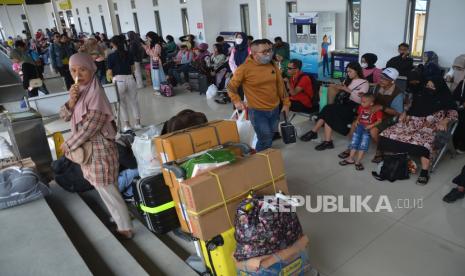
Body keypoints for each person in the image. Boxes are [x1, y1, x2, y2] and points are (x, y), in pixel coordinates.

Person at [59, 52, 133, 239]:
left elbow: (91, 127)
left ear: (92, 69)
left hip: (100, 151)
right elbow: (65, 116)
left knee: (108, 189)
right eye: (73, 70)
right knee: (108, 189)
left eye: (82, 69)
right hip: (90, 152)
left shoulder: (96, 94)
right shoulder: (80, 91)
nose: (78, 74)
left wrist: (69, 144)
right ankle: (120, 218)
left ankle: (125, 228)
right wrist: (71, 101)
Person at [378, 77, 458, 185]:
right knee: (387, 134)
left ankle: (424, 172)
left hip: (430, 127)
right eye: (427, 86)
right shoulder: (420, 94)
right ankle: (392, 161)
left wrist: (445, 121)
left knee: (424, 143)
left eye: (432, 86)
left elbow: (454, 112)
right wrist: (405, 113)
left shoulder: (445, 97)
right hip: (411, 122)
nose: (429, 88)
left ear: (439, 87)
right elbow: (409, 106)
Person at [227, 39, 290, 152]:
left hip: (274, 109)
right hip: (257, 111)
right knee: (264, 139)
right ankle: (259, 161)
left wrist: (286, 103)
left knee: (270, 136)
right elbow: (231, 86)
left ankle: (266, 157)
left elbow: (280, 85)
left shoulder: (272, 64)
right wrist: (236, 101)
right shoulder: (244, 68)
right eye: (265, 51)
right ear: (254, 53)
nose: (269, 53)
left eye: (270, 50)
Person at [338, 68, 404, 162]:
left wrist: (382, 108)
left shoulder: (398, 94)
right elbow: (371, 98)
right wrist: (364, 96)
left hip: (388, 117)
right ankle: (351, 148)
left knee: (373, 130)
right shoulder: (377, 87)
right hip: (374, 112)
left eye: (385, 79)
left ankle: (380, 150)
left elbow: (398, 112)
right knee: (354, 125)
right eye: (381, 77)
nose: (381, 80)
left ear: (392, 81)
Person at [301, 62, 369, 151]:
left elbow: (362, 100)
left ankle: (316, 133)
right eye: (347, 72)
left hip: (353, 107)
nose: (348, 74)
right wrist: (336, 87)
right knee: (328, 110)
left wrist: (346, 89)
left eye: (350, 72)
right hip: (343, 104)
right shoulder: (348, 80)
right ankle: (325, 140)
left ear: (357, 71)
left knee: (328, 110)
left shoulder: (364, 83)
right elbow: (342, 93)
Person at [339, 94, 383, 170]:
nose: (361, 103)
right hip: (359, 127)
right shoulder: (361, 107)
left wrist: (371, 126)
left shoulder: (377, 110)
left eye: (364, 102)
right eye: (361, 101)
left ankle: (358, 161)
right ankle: (350, 159)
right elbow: (360, 114)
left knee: (363, 144)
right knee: (354, 141)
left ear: (371, 103)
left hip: (367, 129)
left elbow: (379, 121)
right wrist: (357, 120)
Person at [107, 35, 141, 132]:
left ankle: (127, 125)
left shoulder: (111, 56)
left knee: (122, 104)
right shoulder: (129, 53)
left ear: (113, 44)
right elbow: (133, 68)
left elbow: (109, 72)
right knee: (134, 102)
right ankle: (138, 123)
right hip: (130, 79)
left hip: (118, 81)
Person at [452, 78, 465, 152]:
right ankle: (454, 144)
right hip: (460, 108)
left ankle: (462, 146)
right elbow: (455, 95)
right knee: (457, 125)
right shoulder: (462, 82)